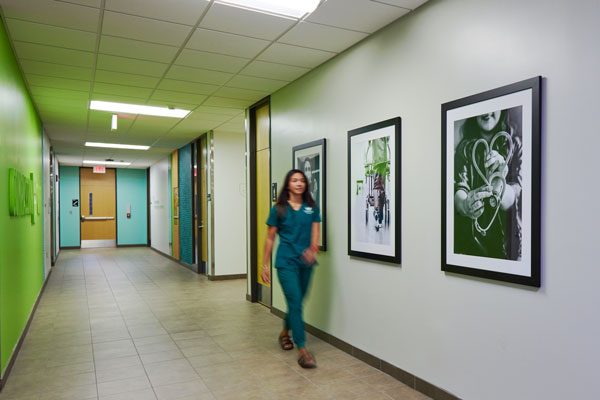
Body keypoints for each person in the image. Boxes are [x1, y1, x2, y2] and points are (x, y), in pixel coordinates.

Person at [261, 169, 321, 369]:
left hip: (306, 263)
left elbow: (315, 233)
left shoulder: (311, 208)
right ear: (288, 185)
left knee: (298, 301)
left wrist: (313, 250)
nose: (299, 183)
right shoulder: (279, 209)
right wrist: (264, 264)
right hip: (285, 262)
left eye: (302, 180)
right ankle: (302, 349)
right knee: (295, 302)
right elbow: (270, 238)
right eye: (295, 180)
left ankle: (284, 332)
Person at [454, 109, 522, 260]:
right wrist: (465, 205)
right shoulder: (465, 149)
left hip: (508, 246)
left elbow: (516, 192)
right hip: (470, 245)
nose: (487, 112)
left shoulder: (516, 146)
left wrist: (499, 183)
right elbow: (459, 188)